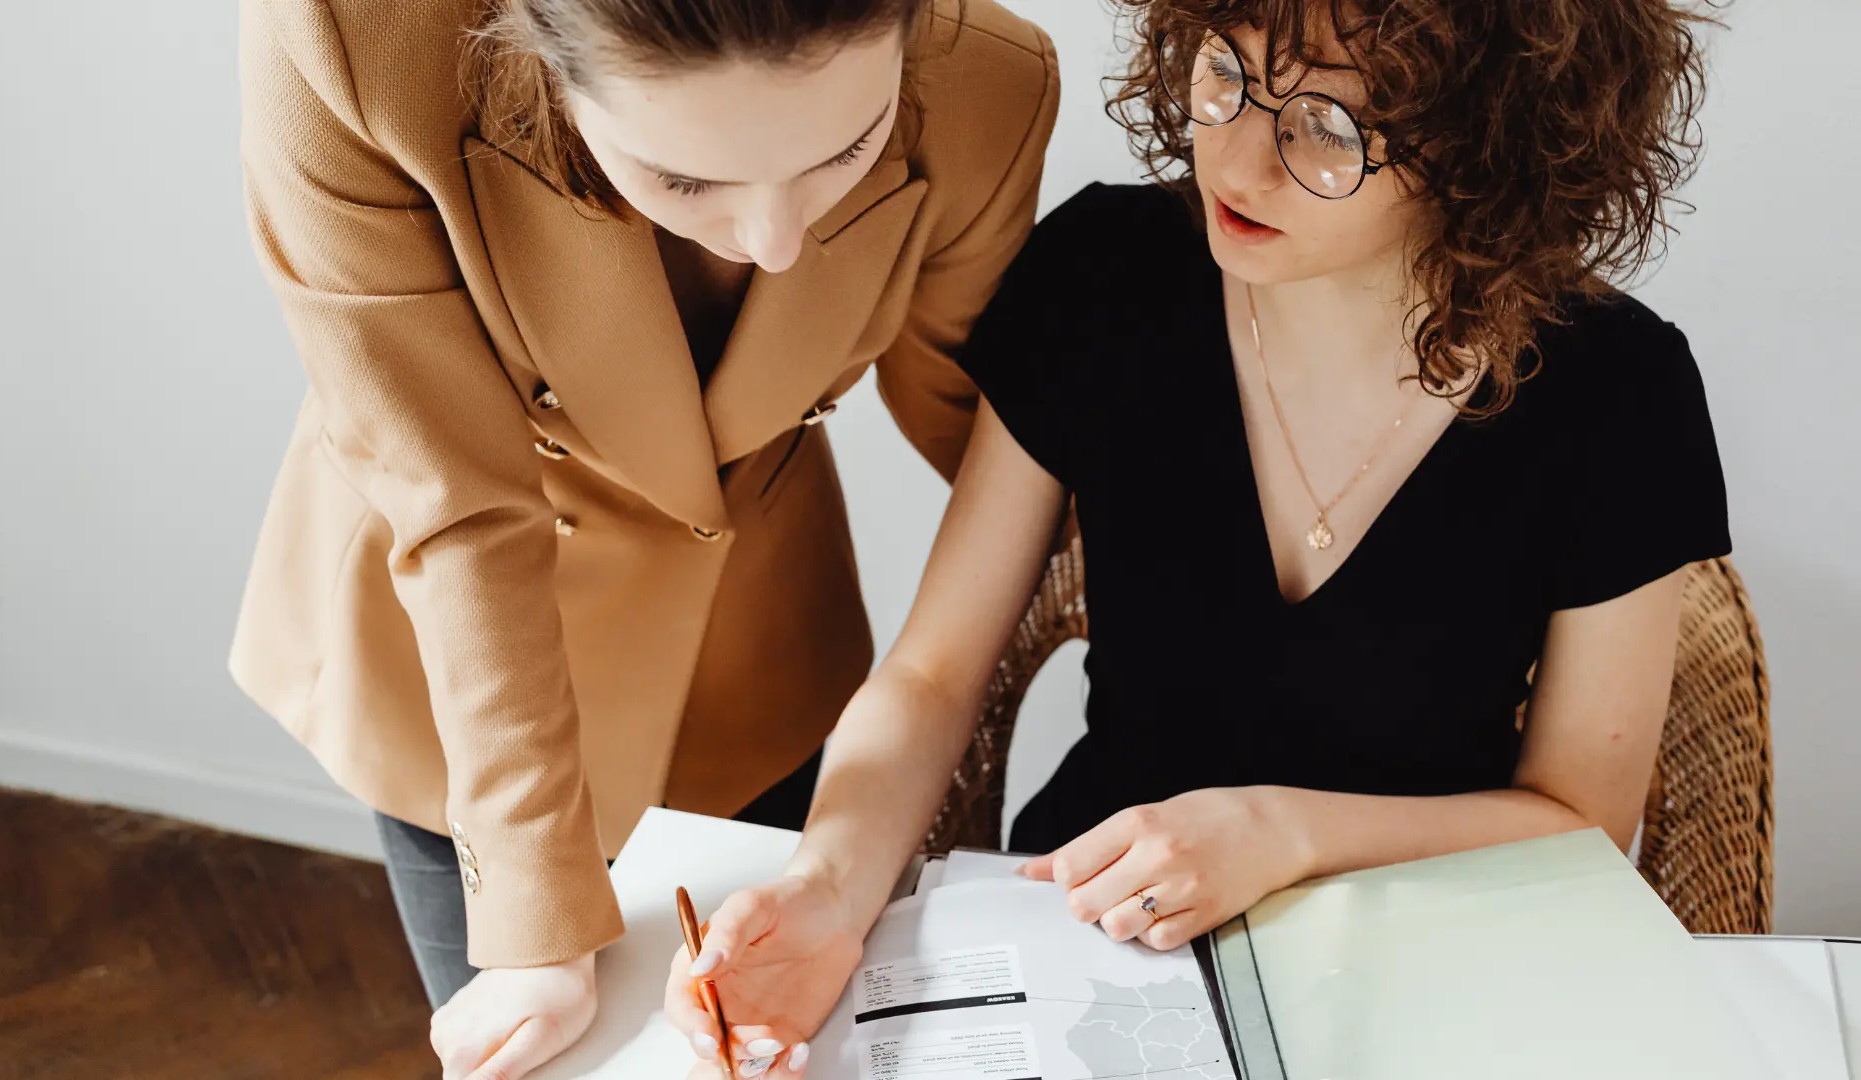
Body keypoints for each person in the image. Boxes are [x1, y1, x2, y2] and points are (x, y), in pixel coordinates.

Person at [664, 0, 1727, 1074]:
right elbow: (935, 675)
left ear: (1491, 149)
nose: (1238, 158)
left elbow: (1580, 817)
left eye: (1329, 128)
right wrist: (828, 888)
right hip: (1087, 930)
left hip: (1420, 957)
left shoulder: (1617, 393)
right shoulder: (1105, 273)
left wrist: (1281, 833)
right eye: (1227, 71)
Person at [230, 0, 1058, 1074]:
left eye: (845, 149)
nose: (773, 242)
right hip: (461, 671)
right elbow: (454, 499)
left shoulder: (988, 86)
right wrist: (535, 918)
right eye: (686, 181)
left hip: (754, 644)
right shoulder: (354, 43)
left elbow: (992, 432)